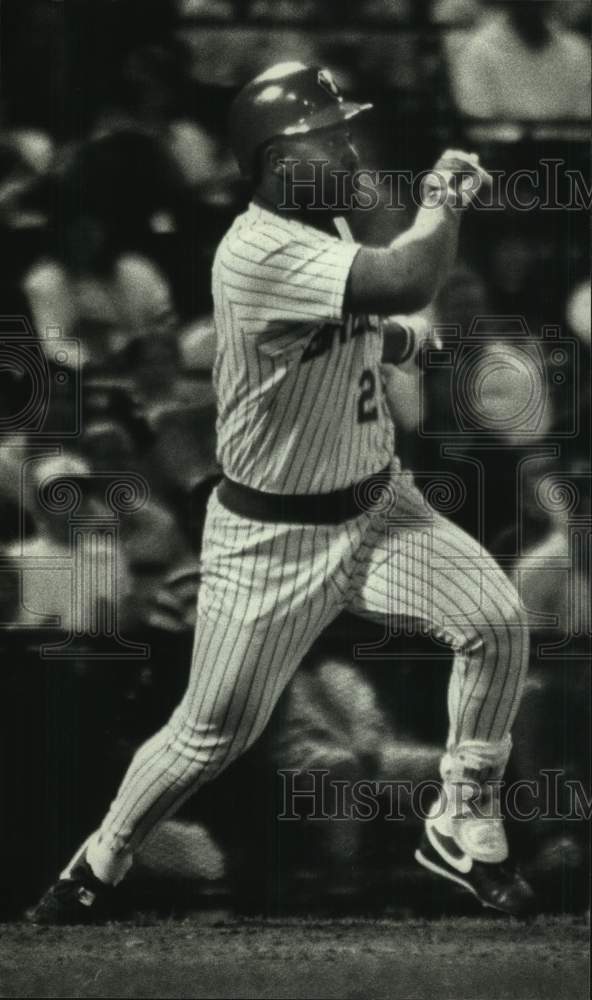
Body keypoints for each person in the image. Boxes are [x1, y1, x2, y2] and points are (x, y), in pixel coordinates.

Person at [30, 61, 534, 923]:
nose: (345, 144)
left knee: (496, 621)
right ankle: (99, 860)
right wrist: (444, 199)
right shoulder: (256, 249)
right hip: (272, 538)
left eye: (344, 129)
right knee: (209, 735)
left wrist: (401, 340)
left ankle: (461, 821)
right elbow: (406, 282)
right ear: (273, 157)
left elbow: (394, 324)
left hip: (379, 508)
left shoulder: (328, 218)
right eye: (324, 135)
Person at [447, 0, 591, 120]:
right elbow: (479, 125)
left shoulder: (578, 52)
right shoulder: (477, 51)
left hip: (565, 152)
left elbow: (583, 123)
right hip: (499, 153)